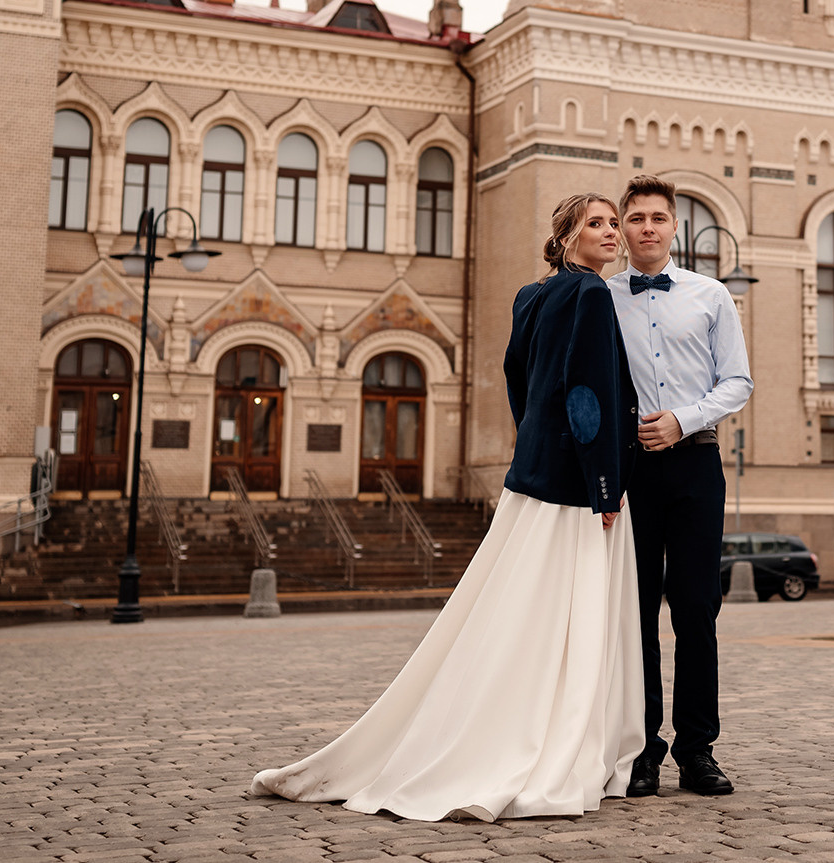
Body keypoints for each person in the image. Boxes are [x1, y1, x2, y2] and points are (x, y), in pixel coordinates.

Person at [250, 193, 642, 821]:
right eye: (596, 223)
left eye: (613, 224)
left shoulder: (529, 296)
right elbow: (588, 392)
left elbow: (518, 380)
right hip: (576, 488)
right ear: (566, 236)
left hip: (532, 476)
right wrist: (603, 483)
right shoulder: (591, 294)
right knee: (568, 619)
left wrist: (535, 439)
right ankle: (544, 745)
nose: (611, 233)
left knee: (512, 612)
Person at [611, 175, 753, 798]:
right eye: (635, 218)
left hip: (696, 464)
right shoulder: (600, 297)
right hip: (630, 474)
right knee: (635, 615)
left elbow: (738, 382)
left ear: (674, 228)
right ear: (620, 228)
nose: (646, 227)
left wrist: (682, 420)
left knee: (697, 611)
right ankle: (642, 751)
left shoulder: (711, 294)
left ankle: (697, 751)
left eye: (657, 218)